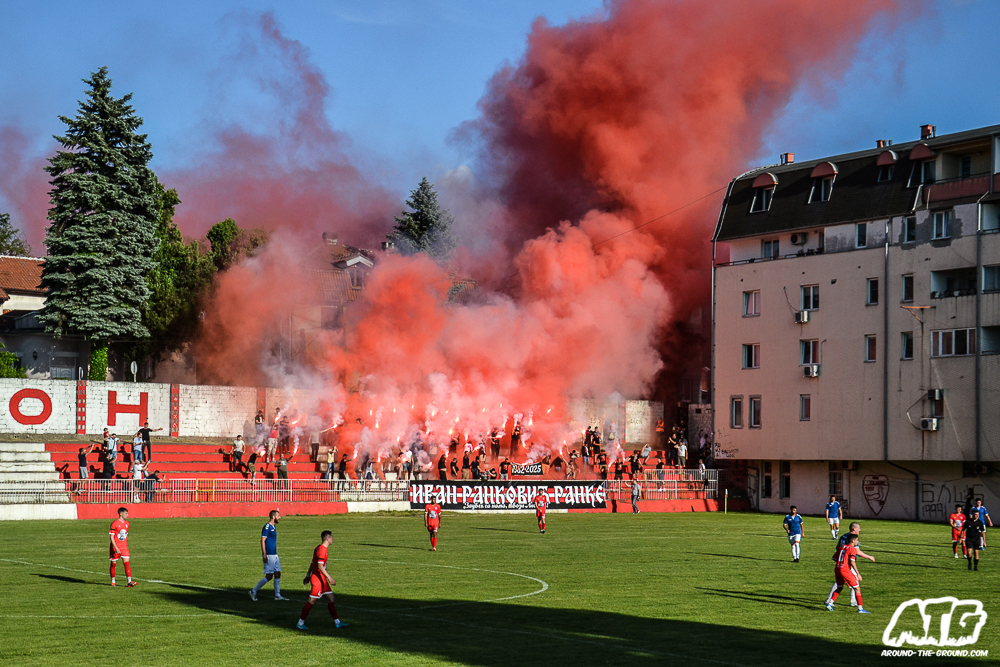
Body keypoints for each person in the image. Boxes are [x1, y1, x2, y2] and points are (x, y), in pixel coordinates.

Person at [296, 530, 348, 630]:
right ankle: (300, 623)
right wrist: (330, 578)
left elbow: (313, 562)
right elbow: (320, 565)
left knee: (331, 598)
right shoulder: (322, 550)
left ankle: (337, 623)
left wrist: (308, 574)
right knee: (311, 601)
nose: (333, 539)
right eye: (332, 537)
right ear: (327, 538)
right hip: (318, 580)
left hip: (322, 579)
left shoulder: (318, 547)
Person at [825, 533, 873, 613]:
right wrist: (858, 574)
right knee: (857, 588)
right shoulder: (852, 549)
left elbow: (834, 558)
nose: (858, 542)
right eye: (857, 540)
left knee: (840, 587)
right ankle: (860, 609)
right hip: (845, 570)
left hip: (837, 568)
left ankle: (830, 604)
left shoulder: (842, 547)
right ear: (853, 541)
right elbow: (852, 562)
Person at [250, 510, 287, 601]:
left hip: (274, 554)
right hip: (269, 554)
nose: (280, 517)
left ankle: (277, 595)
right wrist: (264, 554)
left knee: (277, 573)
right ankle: (253, 591)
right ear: (273, 517)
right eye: (278, 516)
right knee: (269, 576)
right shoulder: (267, 527)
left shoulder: (274, 527)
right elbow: (262, 540)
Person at [109, 506, 136, 587]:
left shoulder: (127, 523)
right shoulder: (114, 523)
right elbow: (111, 537)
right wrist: (116, 547)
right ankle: (113, 581)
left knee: (127, 563)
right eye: (126, 513)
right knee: (113, 564)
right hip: (115, 547)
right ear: (121, 514)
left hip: (124, 547)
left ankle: (129, 581)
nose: (127, 515)